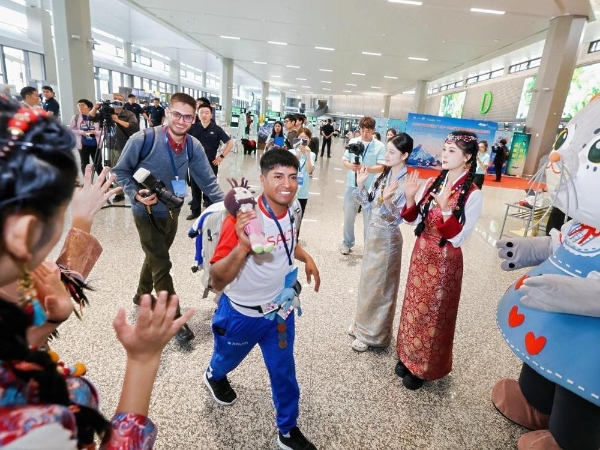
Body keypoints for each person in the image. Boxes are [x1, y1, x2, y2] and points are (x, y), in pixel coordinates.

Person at [0, 96, 194, 448]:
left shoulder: (11, 280)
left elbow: (43, 296)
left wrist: (82, 221)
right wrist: (143, 361)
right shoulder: (26, 422)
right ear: (22, 233)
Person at [204, 149, 320, 450]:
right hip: (241, 315)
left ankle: (287, 430)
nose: (287, 184)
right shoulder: (243, 219)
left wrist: (307, 257)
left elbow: (287, 242)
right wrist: (243, 247)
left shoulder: (293, 210)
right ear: (263, 179)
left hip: (279, 311)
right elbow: (217, 280)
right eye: (278, 176)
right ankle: (213, 374)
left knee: (284, 372)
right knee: (226, 359)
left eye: (293, 177)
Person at [112, 92, 224, 344]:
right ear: (167, 113)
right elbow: (120, 171)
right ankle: (174, 318)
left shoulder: (193, 145)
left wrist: (231, 207)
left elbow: (208, 181)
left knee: (156, 255)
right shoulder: (143, 139)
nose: (182, 121)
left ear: (193, 119)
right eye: (177, 115)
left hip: (172, 210)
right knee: (162, 263)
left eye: (188, 117)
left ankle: (141, 294)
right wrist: (135, 194)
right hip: (145, 212)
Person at [394, 130, 483, 390]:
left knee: (433, 314)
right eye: (444, 149)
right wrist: (410, 197)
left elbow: (459, 237)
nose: (444, 154)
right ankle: (407, 355)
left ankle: (424, 367)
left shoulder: (473, 194)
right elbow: (413, 221)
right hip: (421, 253)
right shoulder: (433, 182)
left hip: (445, 261)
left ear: (467, 158)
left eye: (452, 151)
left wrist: (445, 209)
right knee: (413, 306)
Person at [348, 133, 412, 352]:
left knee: (381, 289)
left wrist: (387, 200)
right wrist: (360, 184)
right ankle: (361, 325)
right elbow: (368, 205)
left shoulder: (405, 182)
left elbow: (397, 219)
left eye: (392, 152)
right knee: (368, 284)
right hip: (373, 237)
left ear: (404, 155)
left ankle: (374, 334)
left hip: (388, 242)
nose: (386, 155)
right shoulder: (384, 175)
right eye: (387, 150)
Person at [340, 116, 386, 255]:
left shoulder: (379, 146)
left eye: (368, 131)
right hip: (352, 184)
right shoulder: (353, 142)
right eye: (363, 130)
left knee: (369, 218)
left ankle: (368, 246)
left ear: (373, 131)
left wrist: (366, 168)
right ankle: (347, 243)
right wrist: (352, 166)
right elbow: (345, 161)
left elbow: (382, 167)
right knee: (348, 216)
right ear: (359, 129)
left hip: (370, 186)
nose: (365, 133)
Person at [186, 102, 233, 220]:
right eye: (201, 112)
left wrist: (221, 157)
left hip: (211, 163)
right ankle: (195, 211)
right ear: (198, 114)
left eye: (207, 113)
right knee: (195, 187)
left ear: (211, 115)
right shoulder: (192, 128)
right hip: (194, 163)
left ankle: (210, 209)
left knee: (210, 187)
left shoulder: (216, 129)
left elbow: (230, 143)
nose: (204, 115)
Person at [290, 127, 316, 238]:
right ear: (296, 139)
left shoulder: (312, 154)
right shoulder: (291, 152)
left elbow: (309, 171)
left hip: (303, 192)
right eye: (300, 138)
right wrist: (296, 156)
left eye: (305, 138)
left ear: (309, 140)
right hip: (290, 190)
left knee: (298, 218)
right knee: (287, 216)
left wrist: (308, 155)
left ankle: (295, 240)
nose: (303, 140)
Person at [69, 98, 102, 175]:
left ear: (89, 107)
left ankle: (103, 180)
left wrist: (95, 132)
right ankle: (87, 180)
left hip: (96, 145)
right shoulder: (76, 117)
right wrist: (81, 132)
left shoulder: (97, 117)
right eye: (79, 105)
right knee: (84, 164)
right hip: (83, 145)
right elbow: (71, 129)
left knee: (98, 164)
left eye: (83, 105)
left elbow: (104, 130)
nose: (80, 107)